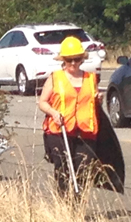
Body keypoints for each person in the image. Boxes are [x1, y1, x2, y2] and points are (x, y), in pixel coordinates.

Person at [38, 35, 100, 196]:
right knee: (63, 168)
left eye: (77, 59)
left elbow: (92, 100)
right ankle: (64, 203)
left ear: (82, 59)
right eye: (69, 59)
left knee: (84, 170)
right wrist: (53, 112)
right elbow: (42, 102)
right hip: (60, 130)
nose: (73, 63)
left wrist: (99, 98)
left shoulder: (90, 78)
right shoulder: (55, 77)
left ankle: (77, 206)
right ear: (63, 60)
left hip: (85, 132)